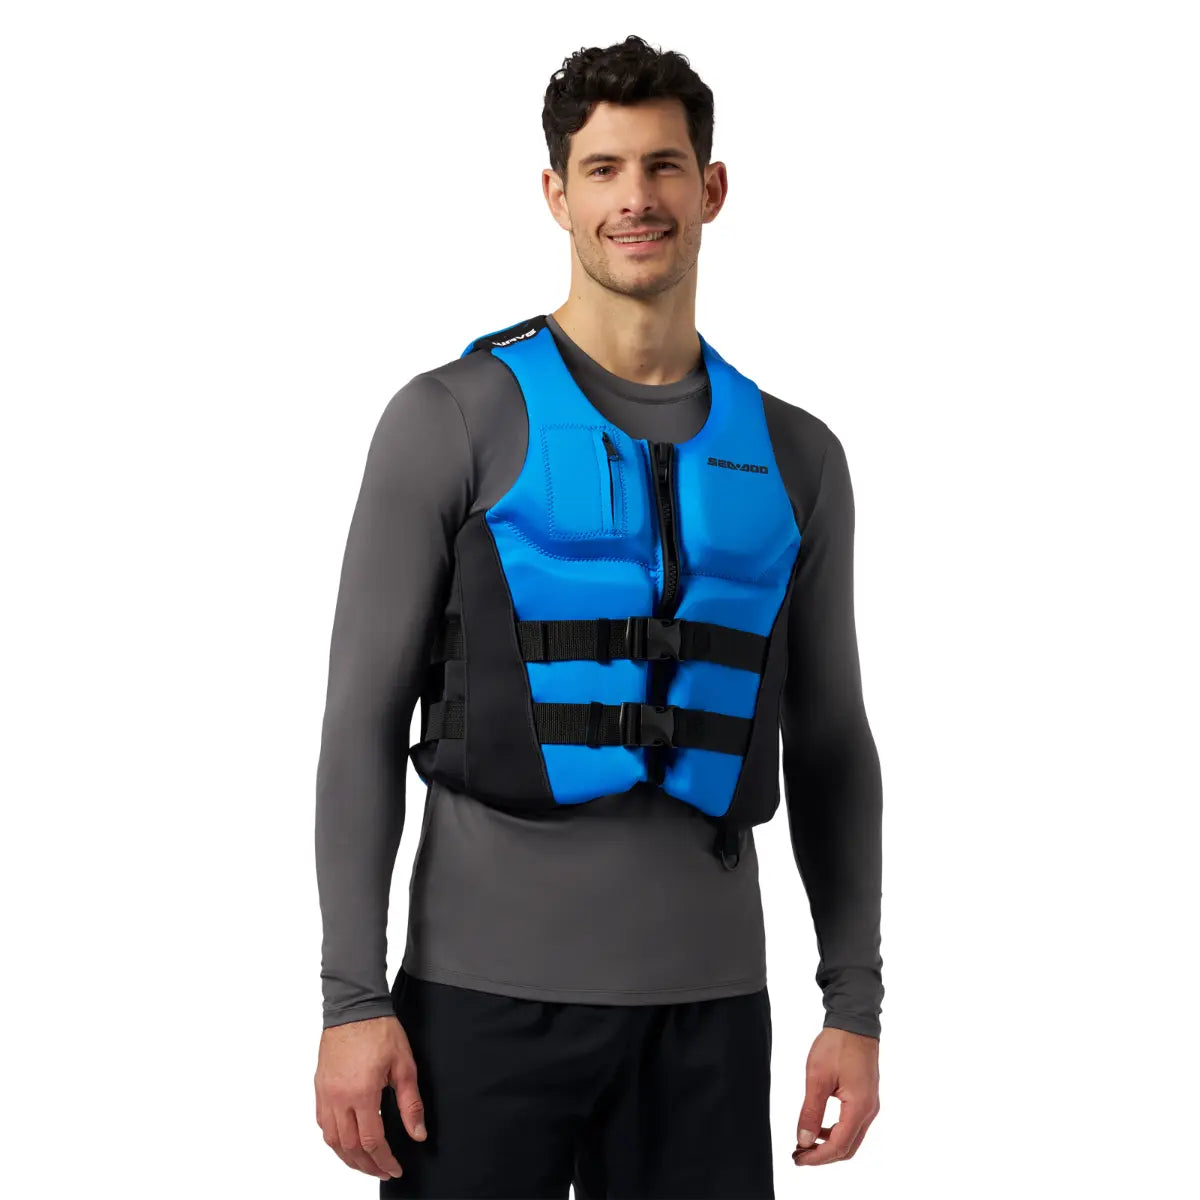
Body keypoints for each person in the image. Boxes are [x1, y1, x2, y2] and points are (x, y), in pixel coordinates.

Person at [313, 34, 883, 1198]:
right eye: (605, 169)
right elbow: (359, 721)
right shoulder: (449, 421)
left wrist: (854, 1004)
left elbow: (832, 740)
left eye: (665, 166)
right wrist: (351, 1002)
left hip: (709, 1018)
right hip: (476, 1010)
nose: (637, 197)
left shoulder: (799, 456)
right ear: (556, 194)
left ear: (711, 188)